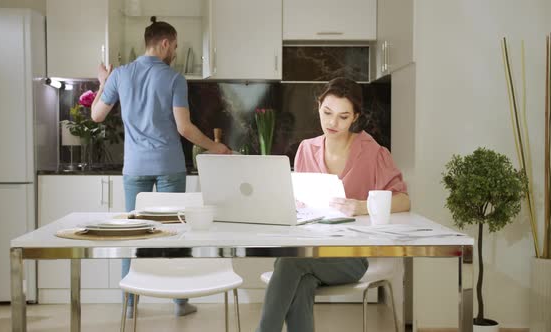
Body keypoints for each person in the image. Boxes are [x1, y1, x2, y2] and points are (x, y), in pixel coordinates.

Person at [91, 17, 231, 318]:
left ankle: (130, 303)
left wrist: (104, 81)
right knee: (173, 234)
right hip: (169, 166)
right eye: (175, 46)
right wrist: (216, 146)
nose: (175, 53)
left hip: (135, 168)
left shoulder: (122, 75)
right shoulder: (173, 78)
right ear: (164, 43)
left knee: (132, 235)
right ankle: (179, 301)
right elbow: (184, 127)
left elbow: (96, 116)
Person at [256, 77, 411, 332]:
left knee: (289, 262)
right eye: (327, 113)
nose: (332, 123)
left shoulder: (372, 152)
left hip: (353, 256)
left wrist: (361, 206)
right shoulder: (306, 149)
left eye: (343, 116)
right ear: (319, 107)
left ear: (355, 117)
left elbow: (404, 200)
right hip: (310, 249)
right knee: (300, 278)